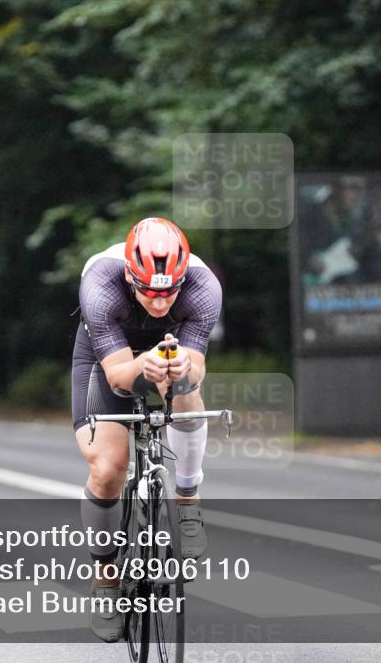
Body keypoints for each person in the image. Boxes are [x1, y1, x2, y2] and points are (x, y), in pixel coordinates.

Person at [71, 217, 222, 642]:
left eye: (169, 292)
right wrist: (143, 363)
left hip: (169, 348)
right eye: (149, 292)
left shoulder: (203, 286)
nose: (159, 303)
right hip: (108, 357)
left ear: (182, 279)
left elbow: (197, 366)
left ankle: (188, 498)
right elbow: (119, 377)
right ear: (128, 277)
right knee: (107, 468)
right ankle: (105, 579)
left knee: (186, 384)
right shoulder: (100, 285)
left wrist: (183, 367)